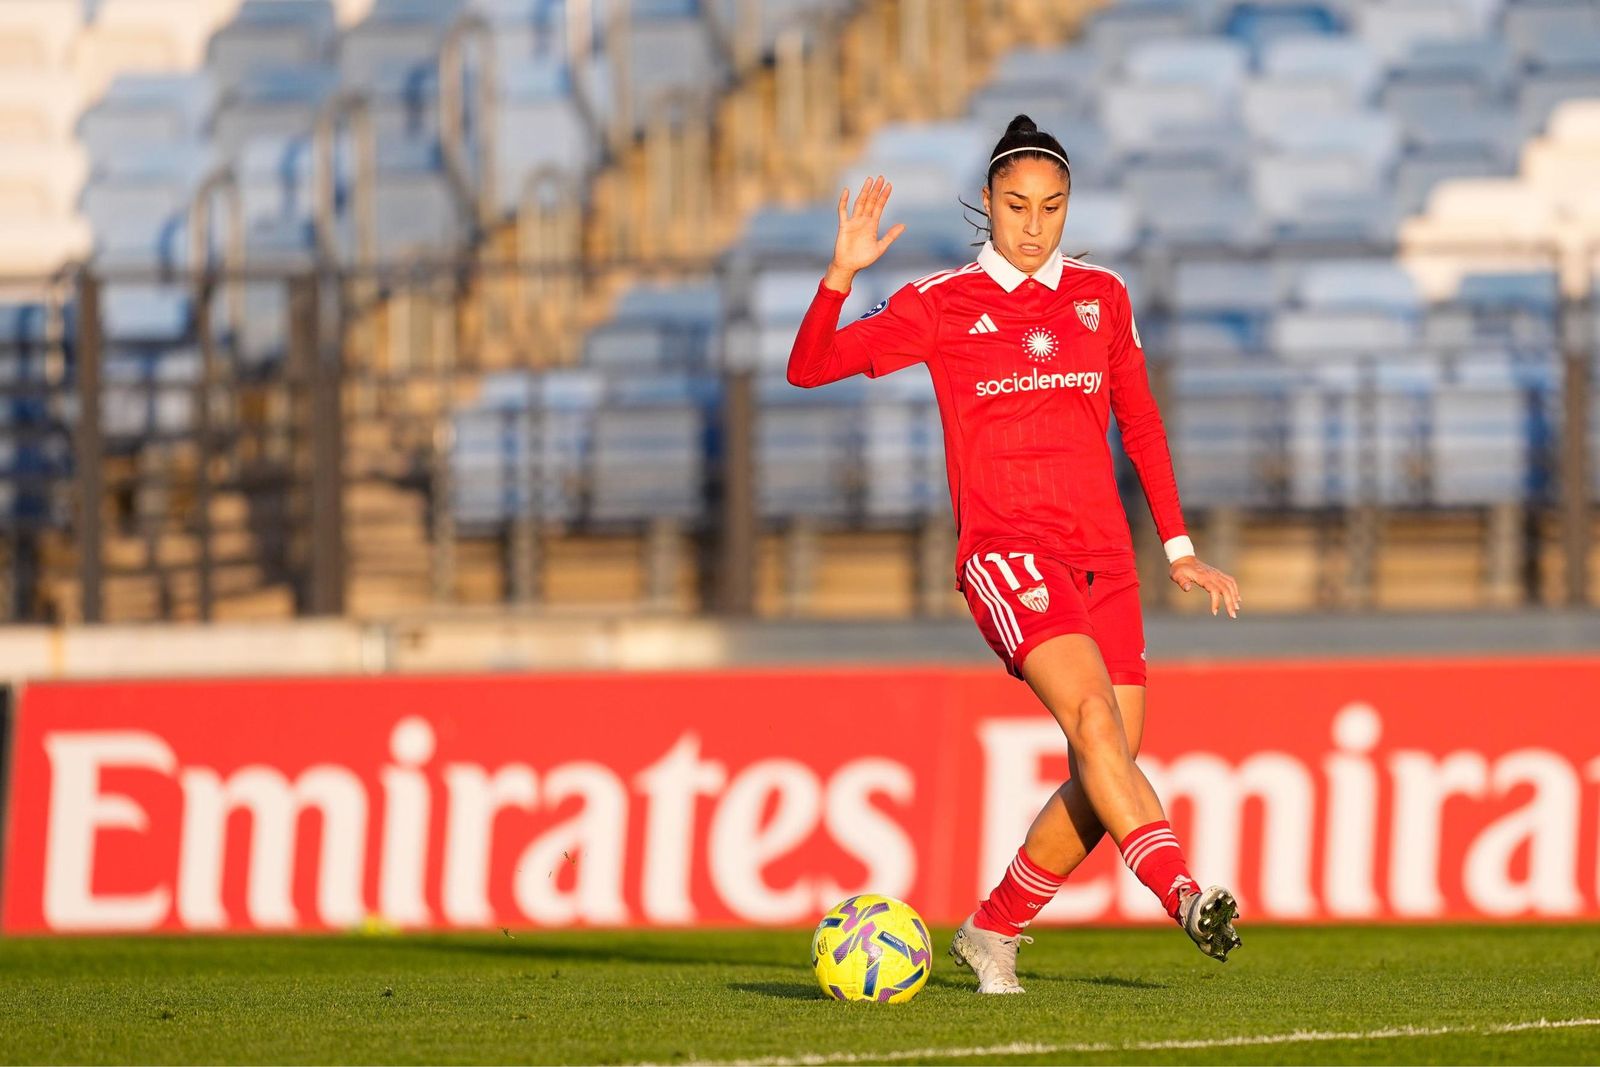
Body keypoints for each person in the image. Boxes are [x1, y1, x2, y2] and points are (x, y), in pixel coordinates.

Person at [786, 115, 1245, 994]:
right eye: (1016, 205)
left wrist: (1178, 547)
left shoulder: (1102, 297)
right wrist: (841, 275)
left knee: (1102, 772)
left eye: (1052, 206)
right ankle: (1186, 895)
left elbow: (1140, 422)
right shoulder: (941, 305)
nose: (1033, 225)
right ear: (988, 204)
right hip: (1008, 554)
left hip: (1106, 559)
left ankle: (993, 927)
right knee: (1098, 729)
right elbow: (809, 367)